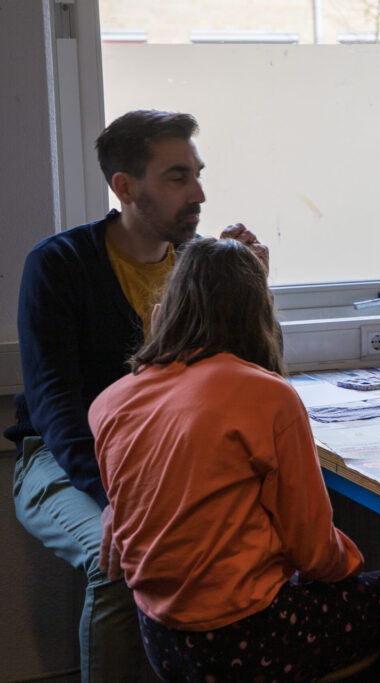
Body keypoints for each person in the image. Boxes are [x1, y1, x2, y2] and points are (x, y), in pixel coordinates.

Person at [88, 237, 380, 681]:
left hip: (161, 638)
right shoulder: (266, 395)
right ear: (257, 311)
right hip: (244, 637)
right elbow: (314, 552)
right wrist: (351, 565)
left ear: (171, 306)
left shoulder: (112, 401)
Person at [4, 109, 267, 682]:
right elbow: (55, 406)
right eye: (178, 177)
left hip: (168, 459)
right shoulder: (60, 264)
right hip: (62, 460)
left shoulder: (199, 265)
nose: (199, 193)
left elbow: (244, 383)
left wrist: (251, 292)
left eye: (197, 174)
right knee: (120, 564)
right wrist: (116, 501)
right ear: (125, 187)